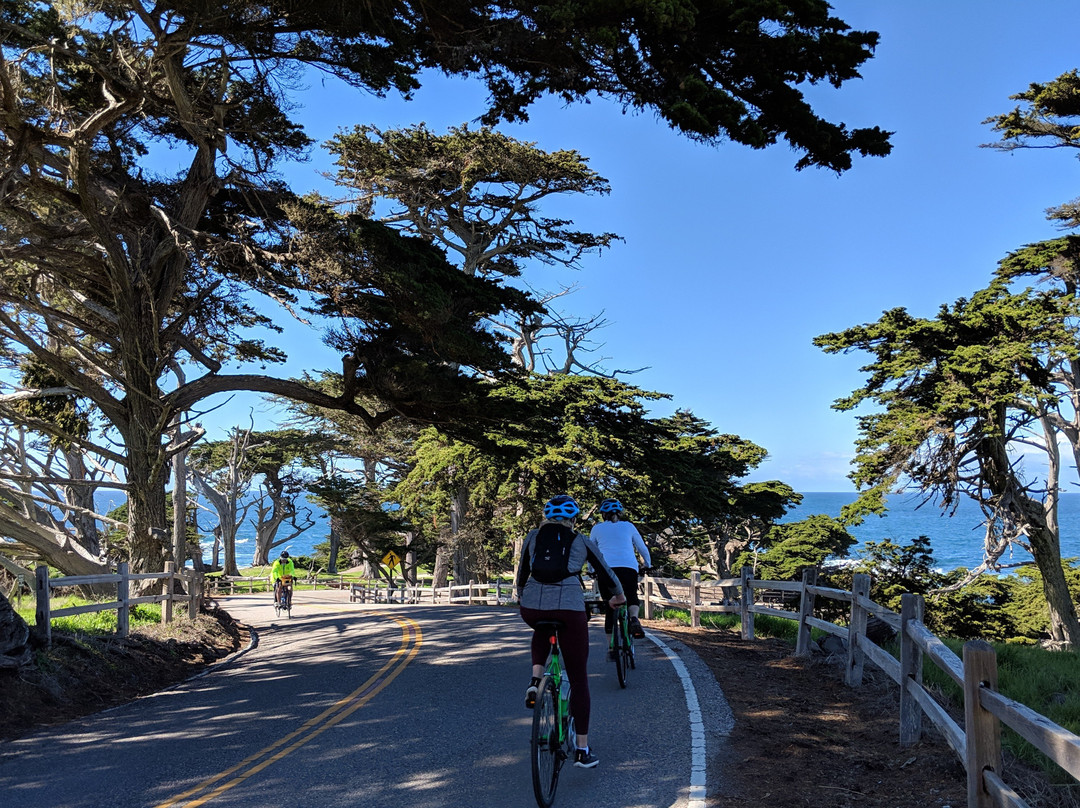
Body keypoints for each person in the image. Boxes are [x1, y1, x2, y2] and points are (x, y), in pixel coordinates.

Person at [516, 494, 626, 769]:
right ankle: (582, 749)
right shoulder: (580, 540)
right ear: (572, 519)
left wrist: (522, 596)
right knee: (578, 679)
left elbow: (521, 572)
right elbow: (605, 572)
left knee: (542, 627)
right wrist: (618, 596)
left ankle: (535, 679)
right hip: (569, 609)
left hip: (531, 608)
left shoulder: (532, 536)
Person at [589, 498, 652, 639]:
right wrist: (648, 564)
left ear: (603, 514)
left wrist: (591, 569)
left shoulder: (597, 528)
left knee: (610, 602)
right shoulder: (629, 526)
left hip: (606, 569)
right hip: (628, 567)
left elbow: (592, 551)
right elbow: (642, 548)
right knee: (631, 596)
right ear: (620, 513)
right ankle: (634, 619)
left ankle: (611, 649)